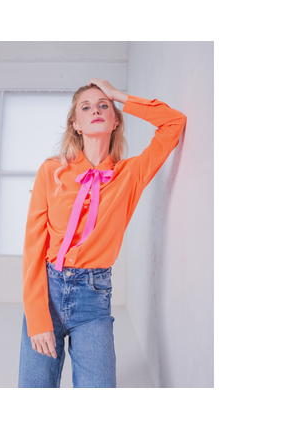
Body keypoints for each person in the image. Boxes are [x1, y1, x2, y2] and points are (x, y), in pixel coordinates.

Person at [18, 78, 186, 388]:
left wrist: (119, 95)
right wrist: (37, 314)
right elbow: (33, 247)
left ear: (115, 119)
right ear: (75, 125)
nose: (95, 110)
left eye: (103, 105)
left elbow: (174, 123)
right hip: (47, 291)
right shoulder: (51, 171)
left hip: (93, 299)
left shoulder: (129, 175)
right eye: (86, 107)